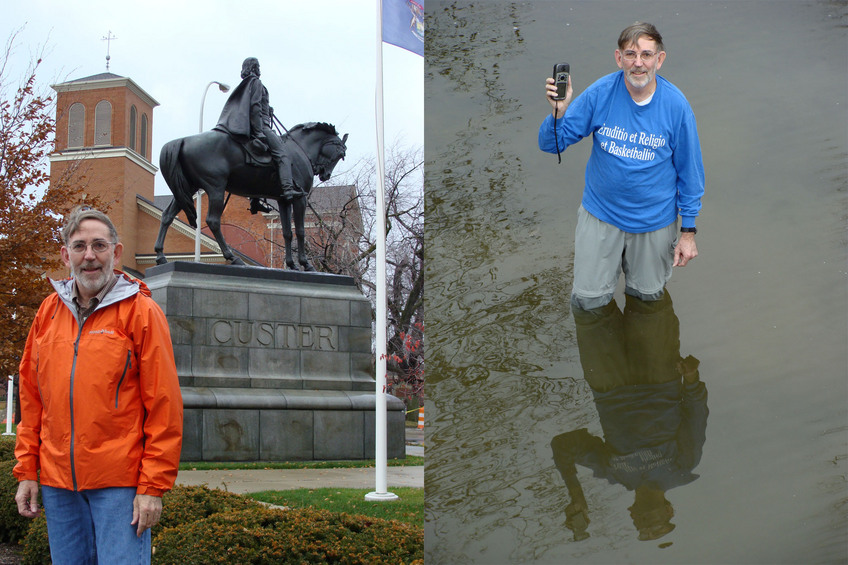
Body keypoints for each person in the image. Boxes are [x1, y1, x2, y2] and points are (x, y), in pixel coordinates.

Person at [14, 206, 183, 565]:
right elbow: (31, 400)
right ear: (66, 255)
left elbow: (164, 406)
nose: (89, 256)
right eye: (79, 246)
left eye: (99, 245)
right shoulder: (47, 313)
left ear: (116, 252)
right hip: (59, 486)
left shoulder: (141, 312)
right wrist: (28, 470)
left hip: (119, 487)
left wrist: (152, 487)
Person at [539, 22, 705, 311]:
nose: (638, 63)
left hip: (654, 223)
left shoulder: (676, 106)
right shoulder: (600, 93)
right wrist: (558, 113)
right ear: (619, 58)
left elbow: (690, 174)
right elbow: (552, 144)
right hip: (601, 215)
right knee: (588, 303)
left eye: (646, 55)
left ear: (659, 60)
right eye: (630, 54)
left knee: (648, 301)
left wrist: (688, 233)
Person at [216, 57, 296, 213]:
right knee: (283, 155)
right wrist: (259, 132)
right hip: (261, 127)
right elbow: (255, 107)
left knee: (257, 163)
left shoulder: (246, 84)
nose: (260, 69)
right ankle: (288, 190)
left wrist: (269, 109)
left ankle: (255, 200)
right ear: (254, 68)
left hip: (249, 127)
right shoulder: (257, 83)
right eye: (258, 66)